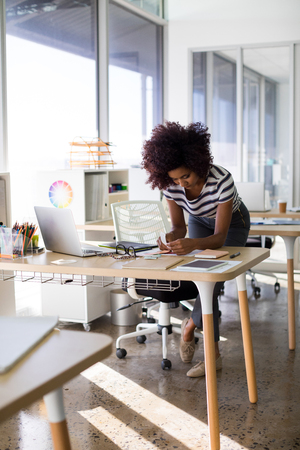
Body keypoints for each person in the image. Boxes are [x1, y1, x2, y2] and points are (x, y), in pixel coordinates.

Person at [139, 120, 250, 378]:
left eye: (185, 176)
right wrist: (170, 237)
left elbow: (220, 237)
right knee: (204, 281)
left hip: (232, 223)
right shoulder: (171, 185)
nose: (181, 183)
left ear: (197, 163)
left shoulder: (222, 180)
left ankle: (190, 326)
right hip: (199, 220)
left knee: (214, 279)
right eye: (174, 178)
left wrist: (194, 244)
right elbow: (179, 227)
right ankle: (214, 357)